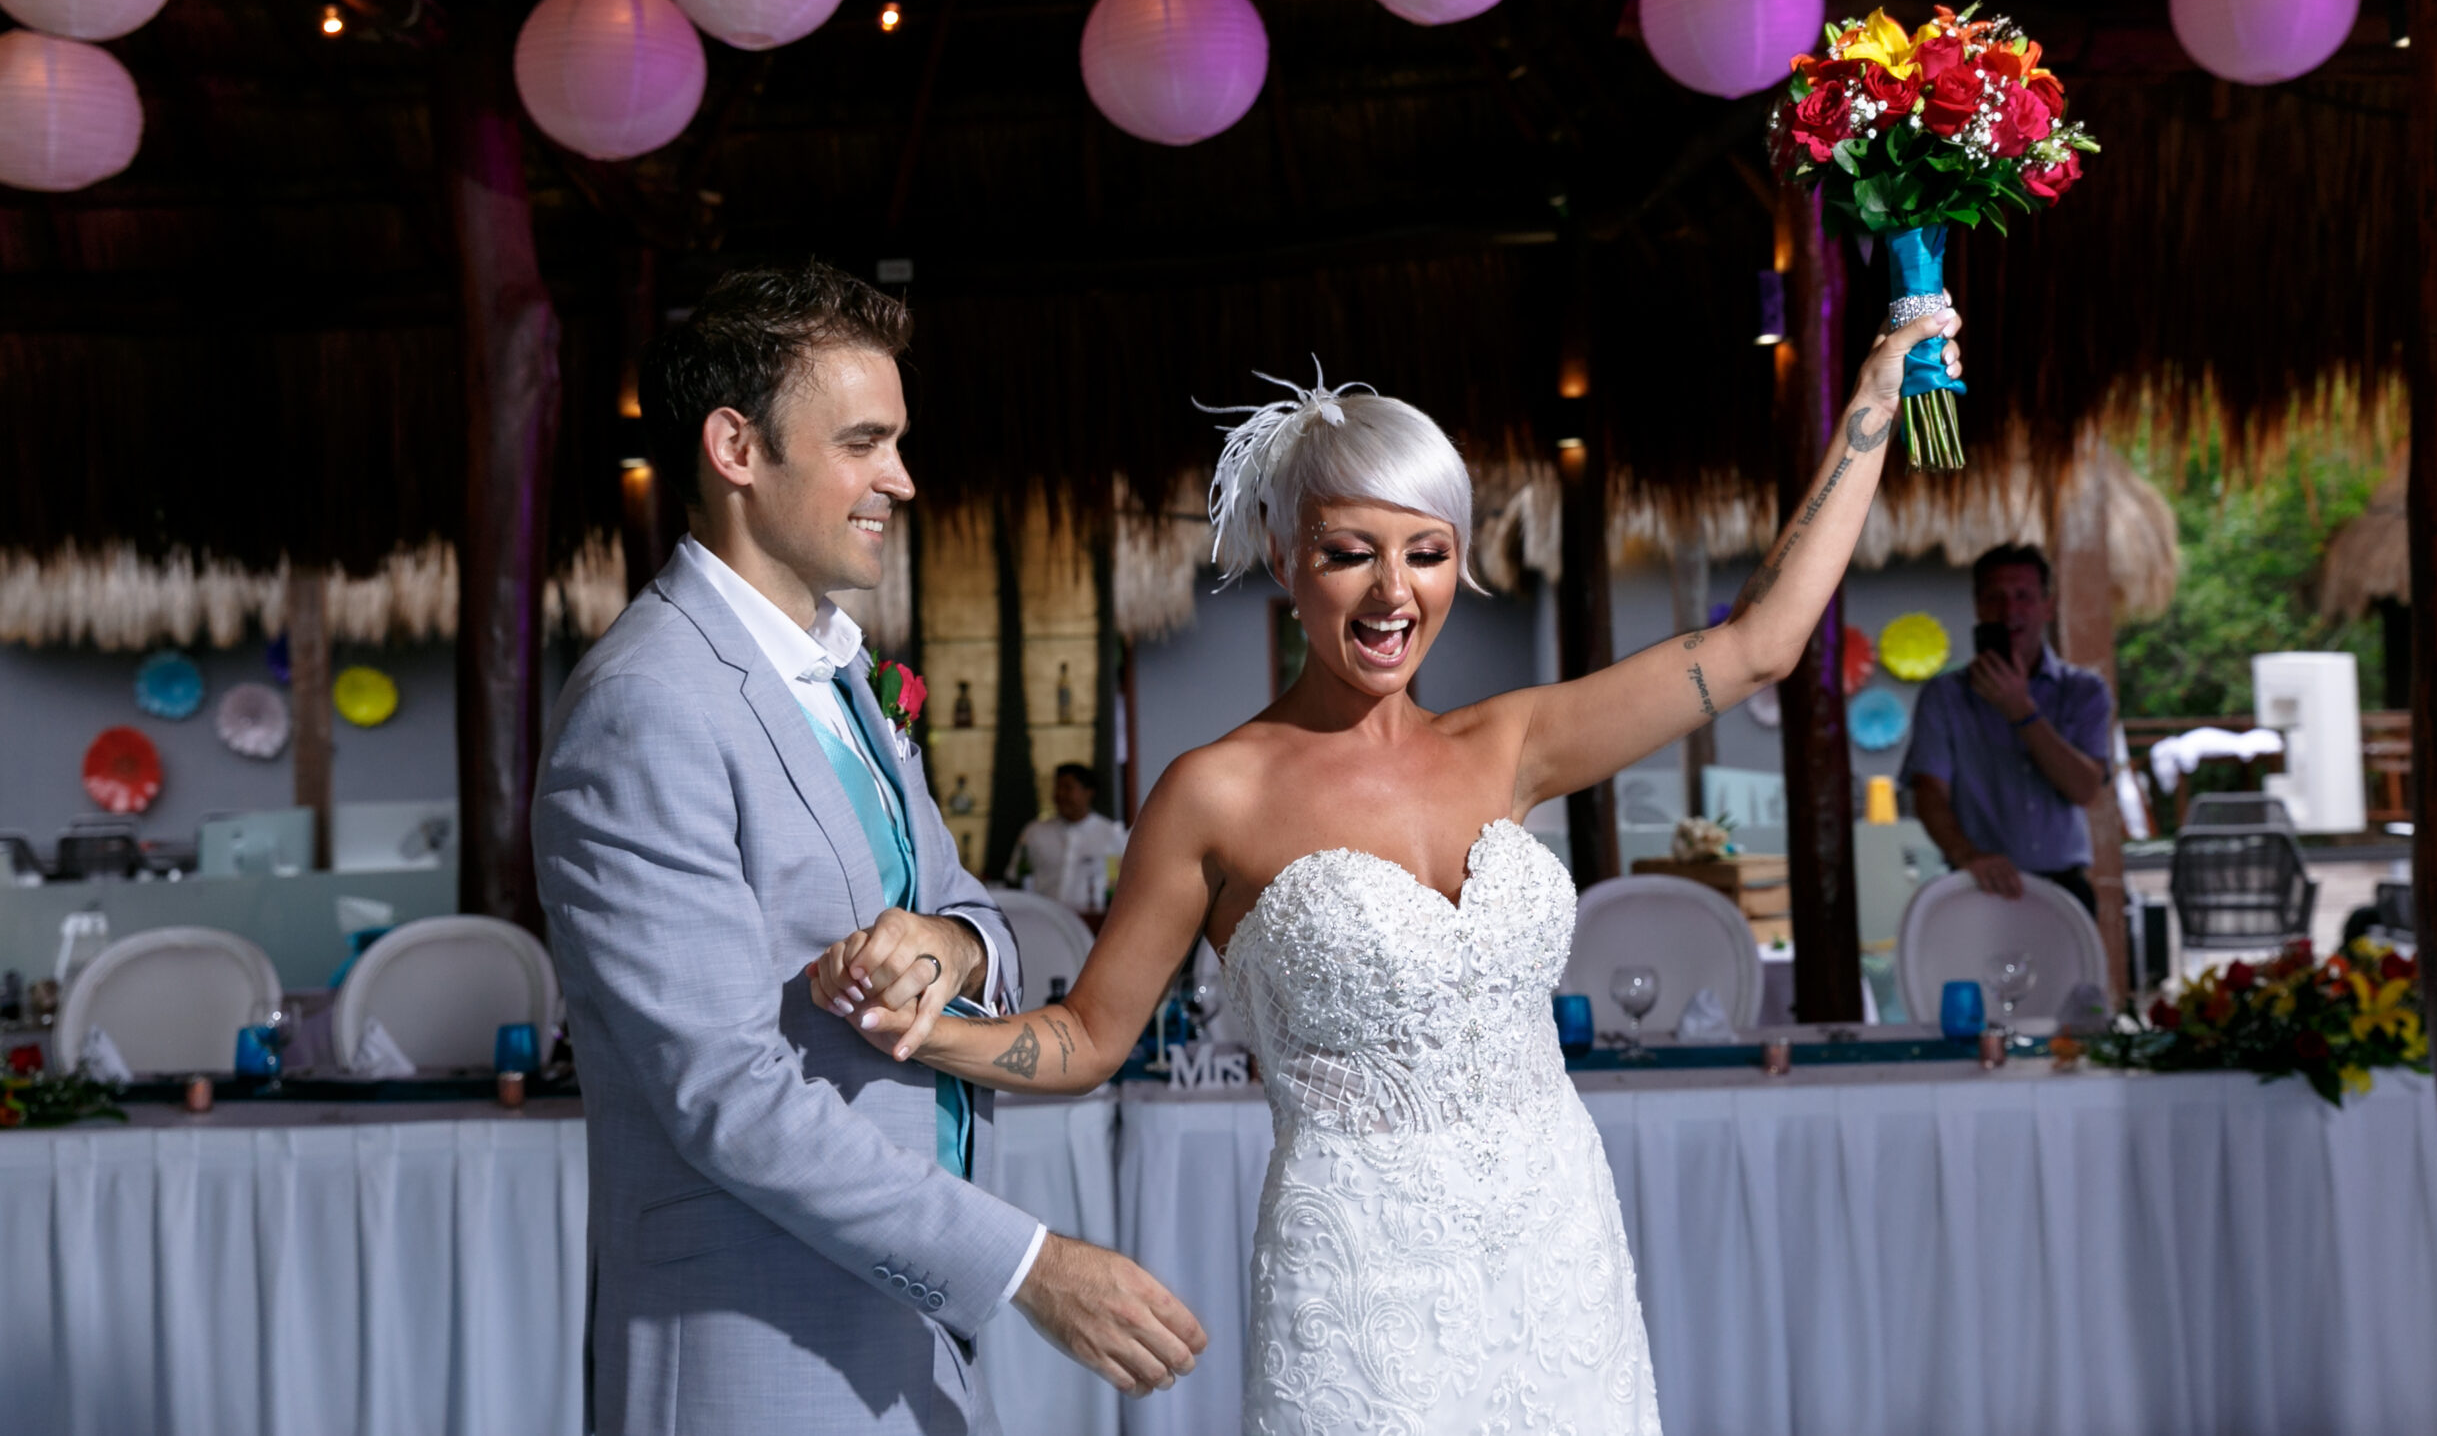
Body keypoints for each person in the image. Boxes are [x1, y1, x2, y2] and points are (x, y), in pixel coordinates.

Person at [808, 309, 1962, 1432]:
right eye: (1350, 554)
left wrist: (1868, 400)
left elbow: (1760, 643)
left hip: (1556, 1246)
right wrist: (928, 1033)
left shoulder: (1512, 746)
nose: (1391, 593)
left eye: (1427, 554)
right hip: (1355, 1274)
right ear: (1284, 557)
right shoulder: (1218, 792)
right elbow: (1087, 1039)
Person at [533, 262, 1205, 1435]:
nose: (899, 478)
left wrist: (944, 945)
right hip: (749, 1340)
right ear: (737, 449)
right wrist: (1027, 1265)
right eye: (863, 441)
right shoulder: (647, 703)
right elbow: (723, 1094)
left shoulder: (841, 674)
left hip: (889, 1332)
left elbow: (980, 919)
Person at [1903, 543, 2114, 917]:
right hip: (1977, 880)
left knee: (2074, 977)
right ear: (1978, 607)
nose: (2009, 611)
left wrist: (2021, 711)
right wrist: (1968, 855)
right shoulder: (1945, 695)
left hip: (2064, 885)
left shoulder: (2084, 691)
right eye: (1994, 597)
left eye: (2023, 596)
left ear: (2047, 606)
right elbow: (1929, 793)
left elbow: (2084, 789)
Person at [1004, 763, 1127, 912]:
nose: (1060, 794)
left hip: (1092, 923)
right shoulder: (1034, 832)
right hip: (1041, 920)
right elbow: (1016, 879)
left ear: (1088, 792)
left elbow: (1123, 887)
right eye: (1057, 788)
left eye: (1068, 788)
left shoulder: (1111, 835)